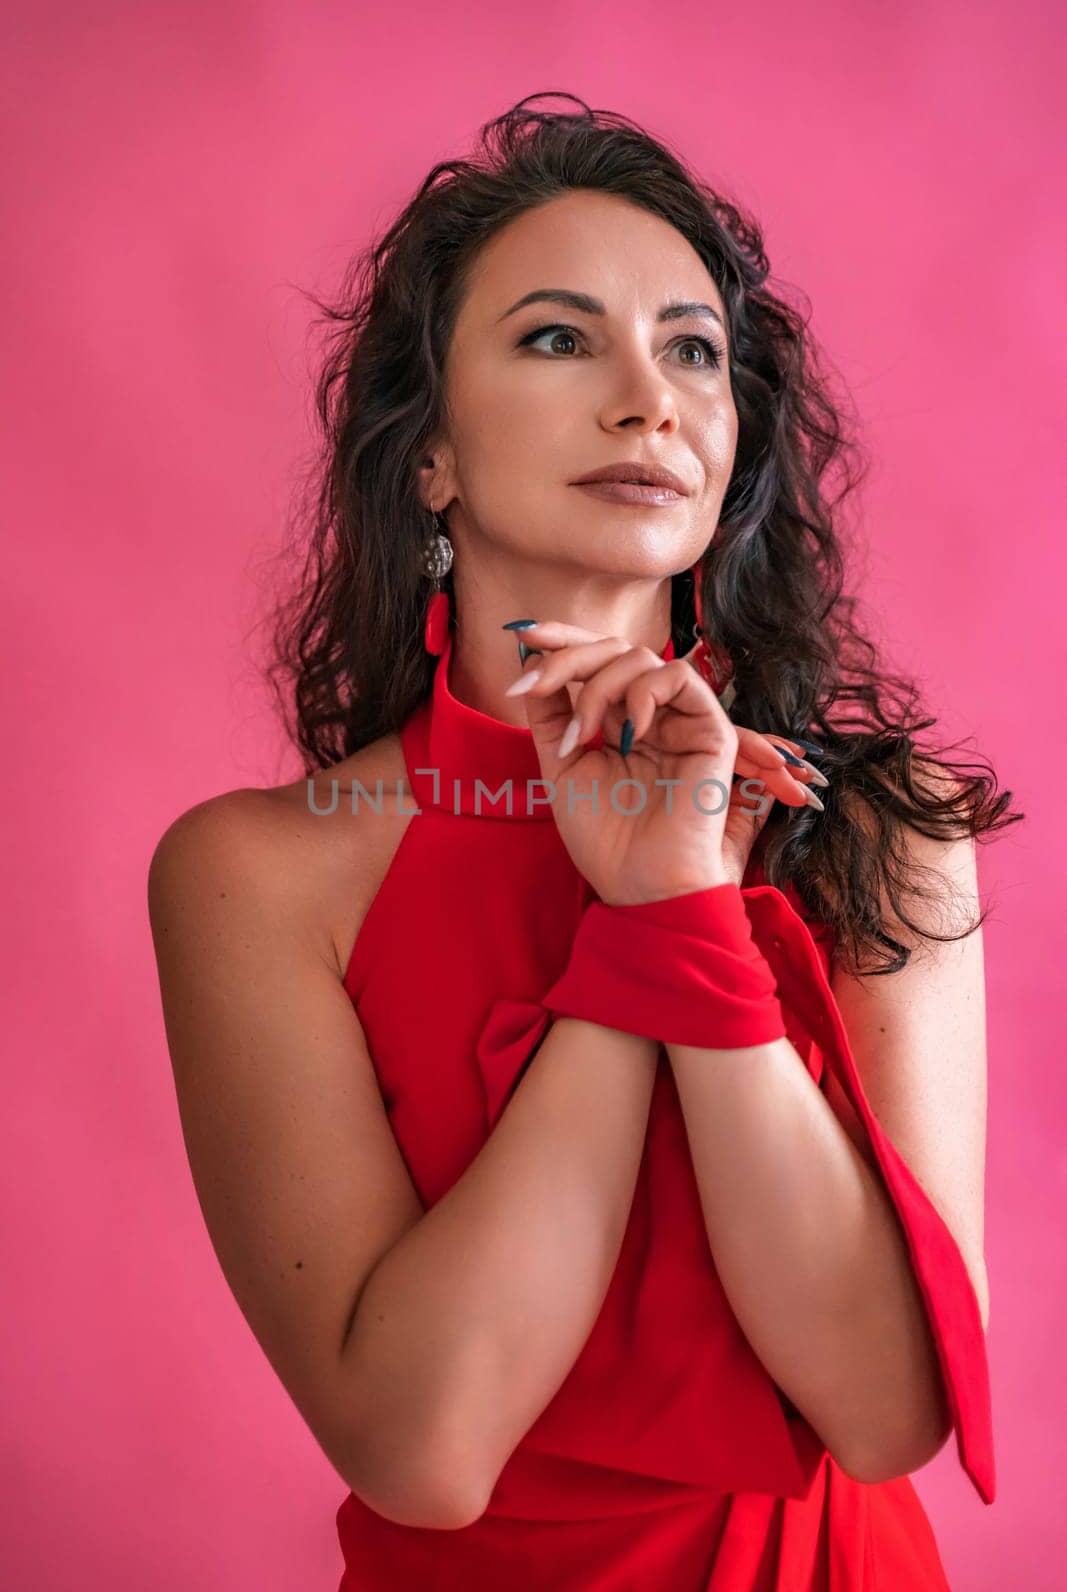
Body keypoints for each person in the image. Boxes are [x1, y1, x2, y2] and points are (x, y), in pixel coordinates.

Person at [148, 93, 1022, 1589]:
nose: (649, 399)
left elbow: (884, 1416)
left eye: (692, 349)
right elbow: (423, 1447)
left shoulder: (882, 828)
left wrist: (681, 888)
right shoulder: (259, 874)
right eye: (559, 339)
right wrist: (641, 931)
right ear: (427, 456)